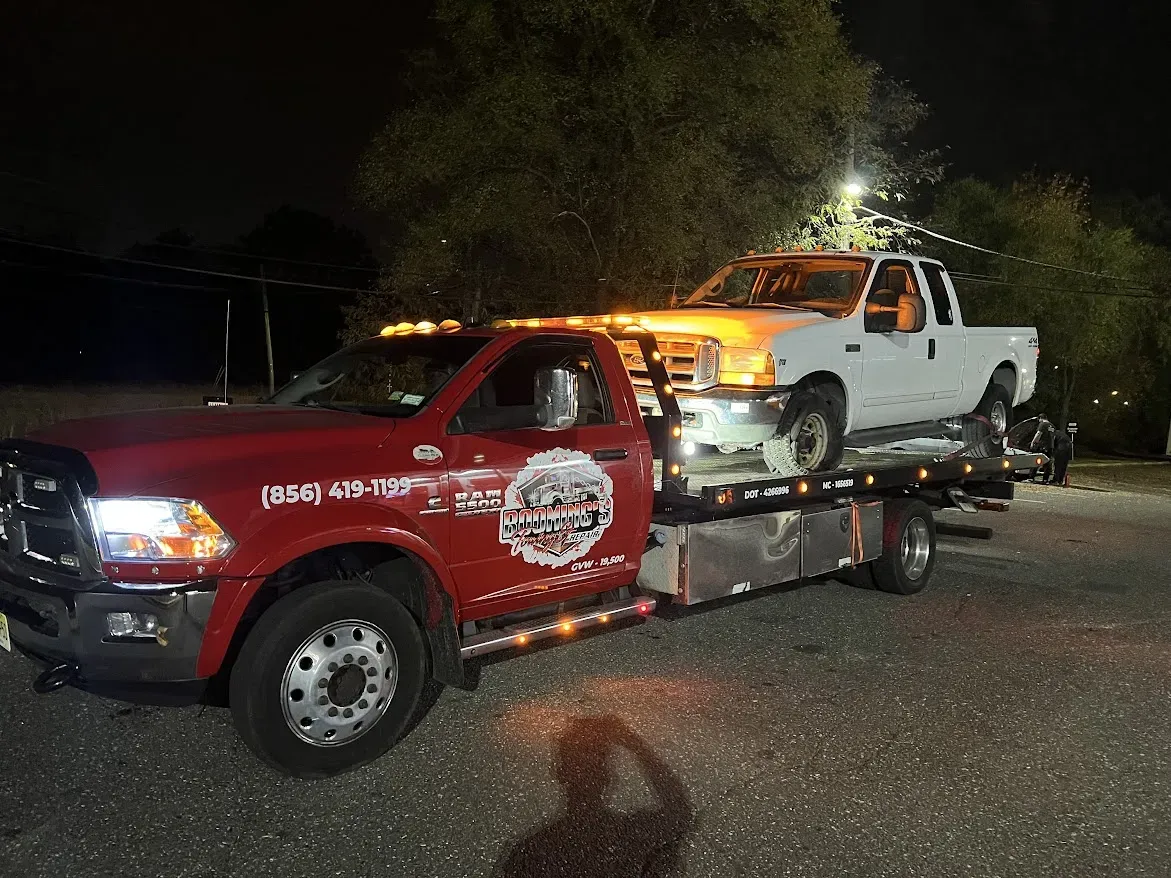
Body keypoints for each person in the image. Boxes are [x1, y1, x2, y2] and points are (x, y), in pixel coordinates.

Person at [1029, 414, 1073, 485]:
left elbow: (1038, 433)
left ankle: (1031, 477)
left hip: (1053, 446)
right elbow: (1053, 439)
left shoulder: (1043, 424)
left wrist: (1033, 442)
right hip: (1063, 446)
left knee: (1038, 461)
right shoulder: (1053, 426)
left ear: (1040, 418)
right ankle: (1053, 480)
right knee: (1060, 464)